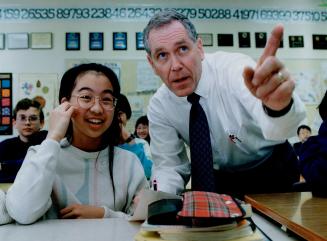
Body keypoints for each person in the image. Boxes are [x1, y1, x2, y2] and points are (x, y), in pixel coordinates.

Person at [143, 10, 306, 196]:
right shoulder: (160, 105)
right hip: (218, 179)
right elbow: (168, 166)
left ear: (199, 48)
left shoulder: (234, 70)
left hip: (272, 168)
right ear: (152, 64)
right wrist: (158, 199)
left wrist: (277, 108)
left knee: (274, 226)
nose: (176, 65)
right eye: (162, 55)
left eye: (182, 49)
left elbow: (280, 128)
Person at [6, 63, 148, 224]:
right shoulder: (42, 155)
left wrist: (104, 214)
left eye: (107, 100)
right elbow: (22, 212)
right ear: (65, 104)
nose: (97, 108)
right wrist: (53, 137)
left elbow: (144, 221)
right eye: (86, 97)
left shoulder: (128, 163)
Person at [0, 98, 47, 182]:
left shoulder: (47, 143)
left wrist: (5, 166)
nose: (27, 122)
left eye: (33, 118)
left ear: (41, 123)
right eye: (22, 118)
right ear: (14, 122)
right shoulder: (4, 146)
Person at [116, 94, 153, 179]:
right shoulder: (101, 145)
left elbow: (148, 173)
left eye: (119, 114)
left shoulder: (141, 144)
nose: (115, 119)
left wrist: (130, 142)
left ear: (127, 116)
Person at [299, 91, 327, 196]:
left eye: (306, 132)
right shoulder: (304, 146)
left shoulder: (310, 146)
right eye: (302, 133)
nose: (305, 135)